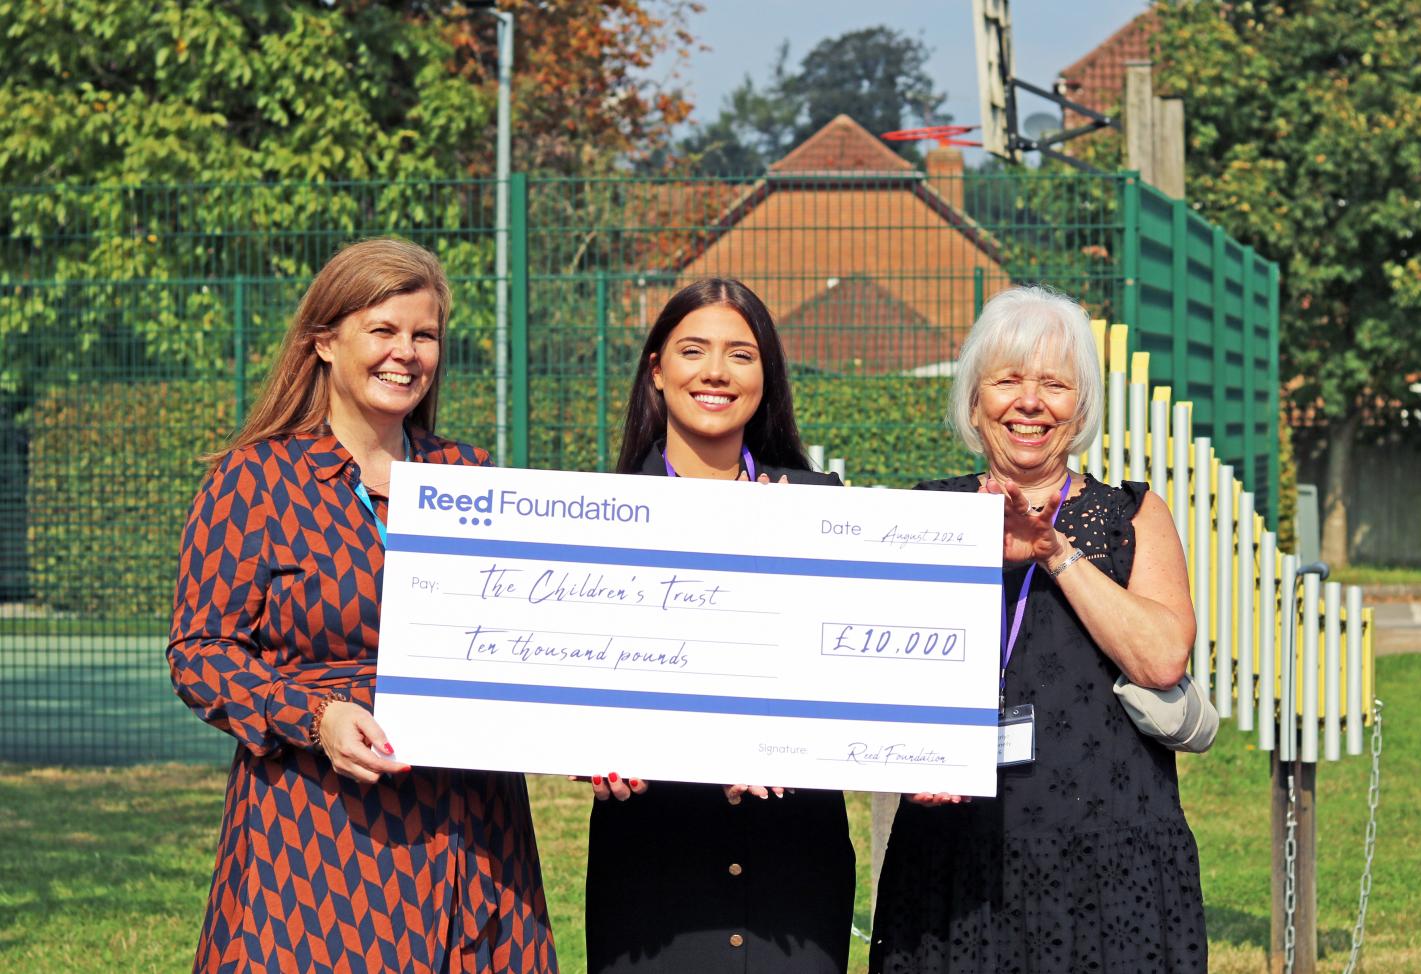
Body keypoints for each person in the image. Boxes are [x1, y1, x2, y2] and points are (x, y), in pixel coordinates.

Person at [168, 238, 557, 973]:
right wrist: (314, 718)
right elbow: (199, 652)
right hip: (317, 832)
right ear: (324, 341)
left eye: (424, 335)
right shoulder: (254, 478)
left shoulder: (470, 475)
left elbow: (538, 631)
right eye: (382, 331)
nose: (404, 353)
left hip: (473, 826)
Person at [868, 285, 1207, 973]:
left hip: (1111, 860)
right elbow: (870, 669)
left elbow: (1163, 658)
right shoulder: (925, 516)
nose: (1030, 402)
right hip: (954, 853)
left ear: (1079, 408)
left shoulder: (1130, 516)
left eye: (1055, 384)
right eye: (1008, 381)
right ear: (974, 400)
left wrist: (1056, 552)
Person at [582, 278, 856, 973]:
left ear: (767, 374)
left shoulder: (825, 507)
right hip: (654, 863)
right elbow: (575, 683)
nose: (715, 372)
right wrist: (590, 742)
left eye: (740, 354)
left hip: (795, 863)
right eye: (693, 350)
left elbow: (858, 671)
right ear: (657, 370)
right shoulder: (597, 514)